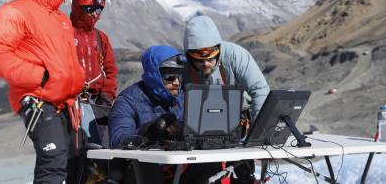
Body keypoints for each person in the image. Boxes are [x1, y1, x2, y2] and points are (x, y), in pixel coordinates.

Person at [0, 0, 84, 183]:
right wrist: (40, 77)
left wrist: (76, 79)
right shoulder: (15, 12)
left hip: (66, 102)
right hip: (38, 99)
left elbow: (66, 60)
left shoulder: (61, 19)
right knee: (53, 160)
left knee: (74, 161)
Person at [108, 45, 221, 184]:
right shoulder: (127, 101)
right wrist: (149, 131)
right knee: (148, 166)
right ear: (154, 76)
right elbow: (118, 139)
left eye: (180, 77)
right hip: (139, 171)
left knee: (211, 165)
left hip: (177, 167)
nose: (176, 83)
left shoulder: (183, 98)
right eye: (170, 77)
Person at [183, 14, 270, 183]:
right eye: (200, 61)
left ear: (219, 50)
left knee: (240, 171)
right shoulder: (183, 67)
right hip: (200, 124)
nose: (206, 64)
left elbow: (259, 90)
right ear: (189, 56)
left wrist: (258, 134)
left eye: (210, 58)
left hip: (239, 120)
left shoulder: (236, 56)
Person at [71, 0, 118, 144]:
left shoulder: (101, 37)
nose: (95, 13)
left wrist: (106, 96)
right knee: (72, 155)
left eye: (99, 9)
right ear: (78, 5)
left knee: (99, 151)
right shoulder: (64, 32)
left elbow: (111, 70)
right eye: (91, 8)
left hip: (97, 103)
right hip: (69, 104)